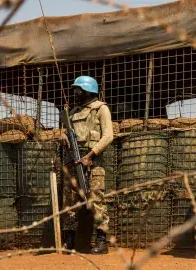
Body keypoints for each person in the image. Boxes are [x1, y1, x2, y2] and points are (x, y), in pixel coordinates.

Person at [60, 75, 114, 254]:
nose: (75, 93)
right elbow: (67, 132)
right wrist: (63, 136)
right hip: (74, 161)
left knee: (96, 199)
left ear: (88, 91)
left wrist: (90, 156)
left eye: (78, 90)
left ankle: (101, 240)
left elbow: (108, 136)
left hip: (94, 162)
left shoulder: (101, 109)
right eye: (75, 89)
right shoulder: (73, 112)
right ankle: (69, 240)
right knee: (70, 202)